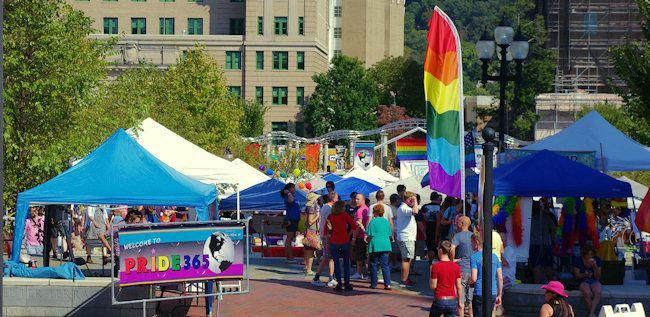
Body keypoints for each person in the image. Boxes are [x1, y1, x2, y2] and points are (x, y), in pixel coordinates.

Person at [326, 200, 357, 291]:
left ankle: (339, 283)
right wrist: (348, 234)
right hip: (344, 240)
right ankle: (347, 283)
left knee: (336, 263)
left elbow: (327, 230)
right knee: (346, 263)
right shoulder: (344, 215)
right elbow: (354, 226)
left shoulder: (330, 216)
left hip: (334, 241)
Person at [470, 233, 503, 317]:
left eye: (472, 242)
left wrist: (467, 281)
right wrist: (499, 294)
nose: (471, 245)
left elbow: (474, 278)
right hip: (492, 291)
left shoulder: (474, 257)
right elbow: (500, 278)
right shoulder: (495, 257)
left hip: (479, 291)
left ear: (476, 243)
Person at [430, 240, 463, 317]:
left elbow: (433, 286)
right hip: (452, 299)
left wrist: (430, 274)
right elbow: (459, 286)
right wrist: (459, 301)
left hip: (439, 298)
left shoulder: (435, 266)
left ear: (440, 250)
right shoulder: (456, 267)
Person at [312, 192, 338, 287]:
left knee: (329, 257)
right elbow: (329, 223)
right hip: (327, 235)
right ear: (333, 199)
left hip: (326, 234)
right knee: (328, 256)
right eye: (337, 198)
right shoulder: (328, 209)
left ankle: (330, 277)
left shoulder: (325, 207)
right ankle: (318, 277)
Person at [394, 191, 419, 287]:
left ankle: (405, 278)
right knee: (406, 259)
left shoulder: (403, 208)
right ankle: (404, 279)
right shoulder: (404, 208)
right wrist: (415, 200)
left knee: (407, 259)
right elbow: (415, 211)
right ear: (408, 200)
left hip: (406, 237)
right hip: (406, 237)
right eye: (412, 200)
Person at [530, 198, 557, 284]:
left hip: (535, 243)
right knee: (547, 265)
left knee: (537, 265)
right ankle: (551, 284)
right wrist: (554, 241)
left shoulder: (531, 217)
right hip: (545, 243)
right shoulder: (547, 216)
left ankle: (538, 284)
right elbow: (553, 230)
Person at [366, 204, 393, 290]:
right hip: (385, 244)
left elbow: (369, 233)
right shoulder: (386, 221)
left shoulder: (373, 221)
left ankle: (374, 284)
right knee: (385, 265)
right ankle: (387, 284)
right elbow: (389, 233)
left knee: (373, 264)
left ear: (375, 212)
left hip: (375, 245)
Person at [451, 216, 474, 317]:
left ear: (462, 224)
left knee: (461, 299)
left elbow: (452, 249)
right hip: (473, 270)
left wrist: (452, 260)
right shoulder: (474, 236)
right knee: (471, 300)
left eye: (458, 222)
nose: (456, 223)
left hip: (461, 268)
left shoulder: (457, 236)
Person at [573, 245, 602, 317]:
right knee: (587, 292)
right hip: (582, 280)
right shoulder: (578, 260)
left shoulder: (597, 260)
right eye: (588, 254)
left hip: (593, 280)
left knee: (598, 292)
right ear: (584, 254)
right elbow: (577, 275)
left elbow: (598, 277)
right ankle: (592, 313)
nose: (590, 256)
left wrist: (594, 266)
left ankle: (591, 313)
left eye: (591, 254)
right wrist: (585, 275)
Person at [351, 193, 370, 279]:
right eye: (355, 199)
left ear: (363, 200)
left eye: (358, 199)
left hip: (360, 236)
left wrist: (354, 238)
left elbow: (358, 225)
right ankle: (368, 273)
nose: (356, 200)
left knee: (359, 256)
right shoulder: (367, 209)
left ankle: (359, 272)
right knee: (365, 256)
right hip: (366, 236)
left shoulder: (360, 211)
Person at [281, 183, 301, 262]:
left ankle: (289, 256)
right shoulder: (288, 197)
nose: (294, 189)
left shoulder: (293, 196)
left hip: (295, 219)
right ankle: (289, 257)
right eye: (293, 188)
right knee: (289, 238)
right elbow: (291, 201)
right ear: (289, 189)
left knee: (291, 238)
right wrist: (288, 193)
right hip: (290, 219)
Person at [302, 192, 321, 275]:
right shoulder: (312, 208)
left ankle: (306, 267)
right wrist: (317, 216)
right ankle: (309, 269)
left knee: (307, 249)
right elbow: (310, 222)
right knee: (310, 251)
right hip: (312, 230)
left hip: (308, 230)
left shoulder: (307, 207)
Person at [421, 192, 441, 262]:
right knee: (438, 245)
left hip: (428, 228)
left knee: (430, 247)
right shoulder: (440, 207)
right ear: (437, 198)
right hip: (439, 228)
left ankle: (430, 263)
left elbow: (421, 218)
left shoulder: (425, 207)